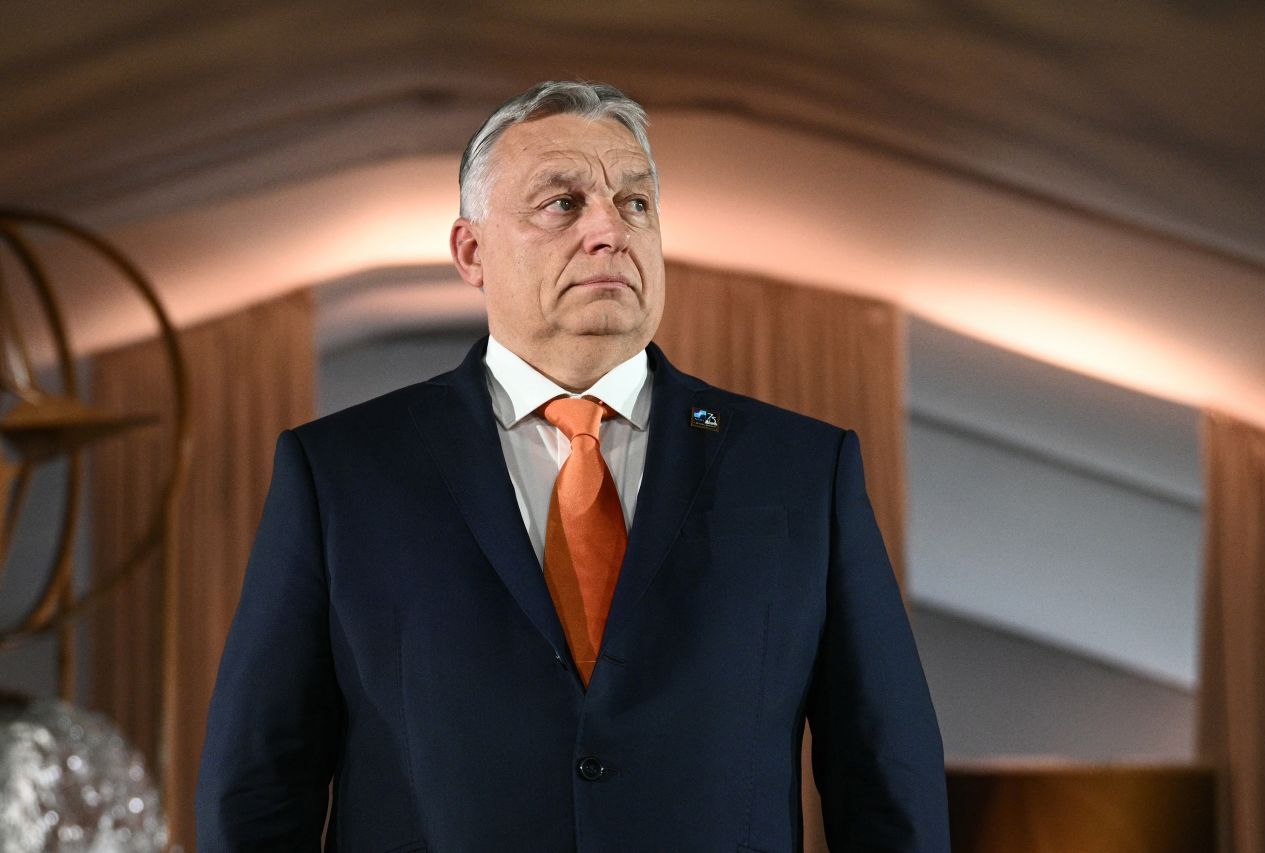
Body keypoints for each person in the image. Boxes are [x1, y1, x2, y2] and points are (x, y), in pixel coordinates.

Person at [196, 80, 949, 852]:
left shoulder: (801, 468)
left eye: (635, 203)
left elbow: (888, 780)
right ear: (471, 251)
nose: (610, 231)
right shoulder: (341, 474)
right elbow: (260, 783)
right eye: (563, 203)